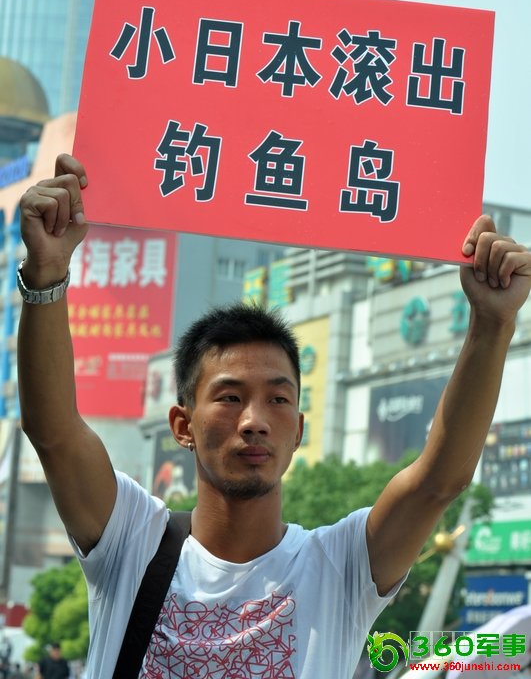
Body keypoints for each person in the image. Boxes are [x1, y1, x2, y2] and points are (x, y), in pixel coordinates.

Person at [17, 154, 531, 679]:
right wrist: (46, 274)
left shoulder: (340, 569)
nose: (254, 421)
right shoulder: (130, 540)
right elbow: (52, 432)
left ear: (299, 430)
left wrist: (492, 325)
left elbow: (437, 482)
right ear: (182, 425)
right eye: (229, 397)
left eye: (279, 400)